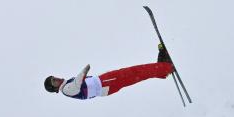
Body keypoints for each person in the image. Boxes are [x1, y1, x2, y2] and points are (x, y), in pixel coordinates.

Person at [44, 44, 174, 99]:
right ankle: (165, 67)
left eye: (53, 77)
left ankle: (161, 69)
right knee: (134, 73)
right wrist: (84, 70)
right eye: (53, 82)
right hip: (104, 84)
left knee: (134, 73)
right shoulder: (66, 89)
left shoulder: (66, 84)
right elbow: (78, 84)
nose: (56, 79)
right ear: (55, 89)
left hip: (103, 82)